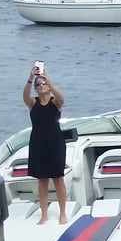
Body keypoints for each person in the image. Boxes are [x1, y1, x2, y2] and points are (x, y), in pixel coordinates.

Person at [22, 65, 68, 225]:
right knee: (42, 180)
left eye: (43, 84)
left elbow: (61, 98)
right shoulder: (33, 103)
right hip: (38, 143)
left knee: (58, 179)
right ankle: (44, 214)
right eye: (38, 85)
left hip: (55, 142)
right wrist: (30, 78)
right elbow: (25, 95)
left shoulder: (55, 102)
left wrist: (48, 78)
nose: (41, 86)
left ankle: (63, 213)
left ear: (48, 85)